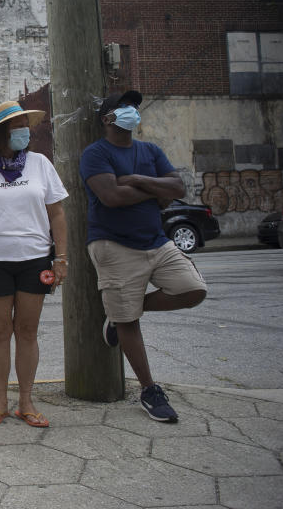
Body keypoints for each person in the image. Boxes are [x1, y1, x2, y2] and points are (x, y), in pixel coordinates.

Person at [80, 91, 207, 423]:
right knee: (129, 322)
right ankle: (150, 390)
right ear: (108, 119)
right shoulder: (96, 154)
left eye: (134, 107)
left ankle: (121, 314)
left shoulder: (149, 151)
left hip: (157, 241)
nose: (132, 112)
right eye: (124, 108)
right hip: (114, 245)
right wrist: (156, 190)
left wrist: (136, 179)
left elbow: (178, 188)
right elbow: (111, 196)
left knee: (193, 289)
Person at [0, 100, 68, 428]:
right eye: (17, 127)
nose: (25, 132)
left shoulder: (40, 164)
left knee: (27, 330)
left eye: (26, 125)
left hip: (34, 259)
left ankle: (26, 400)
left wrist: (61, 257)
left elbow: (57, 213)